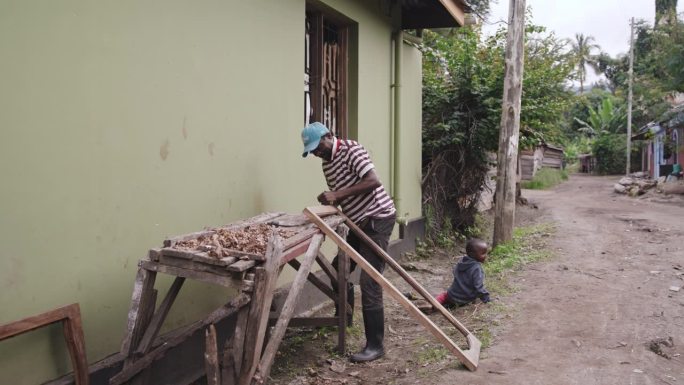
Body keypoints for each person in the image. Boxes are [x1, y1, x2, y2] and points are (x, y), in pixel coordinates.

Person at [301, 122, 396, 363]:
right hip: (356, 223)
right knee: (337, 270)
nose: (316, 153)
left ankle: (375, 345)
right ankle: (346, 316)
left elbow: (373, 181)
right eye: (312, 150)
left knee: (370, 281)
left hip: (377, 218)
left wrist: (337, 195)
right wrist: (328, 206)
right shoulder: (327, 164)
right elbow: (342, 197)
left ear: (329, 136)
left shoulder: (352, 150)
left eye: (318, 146)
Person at [434, 238, 490, 307]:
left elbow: (455, 272)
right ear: (473, 254)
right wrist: (486, 299)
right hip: (465, 299)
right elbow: (479, 287)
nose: (486, 255)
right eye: (483, 253)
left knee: (444, 295)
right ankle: (445, 306)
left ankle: (433, 304)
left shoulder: (461, 262)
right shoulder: (476, 268)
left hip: (452, 295)